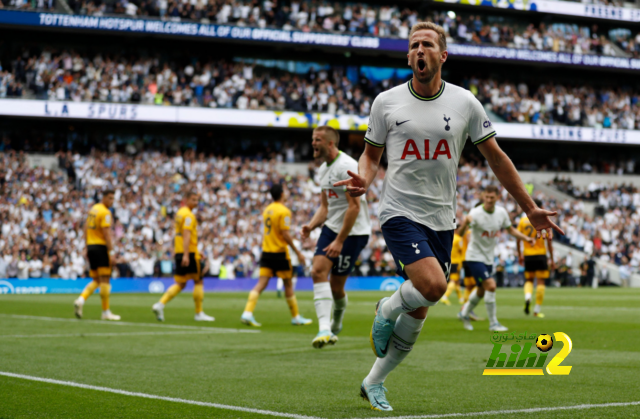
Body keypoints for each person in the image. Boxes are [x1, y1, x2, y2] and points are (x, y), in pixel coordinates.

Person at [334, 21, 562, 411]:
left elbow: (496, 158)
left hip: (442, 218)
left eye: (426, 45)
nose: (418, 50)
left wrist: (529, 207)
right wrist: (365, 180)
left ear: (442, 55)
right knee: (434, 286)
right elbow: (371, 157)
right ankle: (386, 308)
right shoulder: (385, 102)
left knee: (421, 306)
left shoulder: (465, 103)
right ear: (408, 56)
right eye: (413, 46)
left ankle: (374, 381)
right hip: (399, 211)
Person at [302, 126, 371, 349]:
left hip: (353, 232)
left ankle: (336, 321)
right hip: (332, 227)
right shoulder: (323, 169)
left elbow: (354, 207)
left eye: (318, 139)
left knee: (336, 287)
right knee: (317, 271)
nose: (313, 143)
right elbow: (325, 206)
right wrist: (311, 226)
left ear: (331, 143)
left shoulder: (347, 167)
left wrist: (339, 241)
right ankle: (324, 329)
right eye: (313, 139)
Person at [240, 184, 312, 327]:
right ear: (281, 194)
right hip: (279, 253)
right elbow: (285, 234)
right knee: (288, 284)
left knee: (261, 283)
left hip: (267, 251)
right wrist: (298, 253)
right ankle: (296, 317)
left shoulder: (267, 210)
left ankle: (247, 312)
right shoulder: (284, 211)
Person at [152, 191, 215, 322]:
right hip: (188, 253)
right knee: (198, 281)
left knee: (180, 283)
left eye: (197, 200)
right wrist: (188, 254)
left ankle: (160, 304)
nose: (196, 203)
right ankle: (199, 313)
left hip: (180, 252)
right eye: (193, 200)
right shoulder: (188, 215)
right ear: (186, 199)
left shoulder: (180, 213)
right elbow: (186, 235)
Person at [74, 190, 120, 321]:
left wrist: (86, 246)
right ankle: (105, 311)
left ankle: (80, 300)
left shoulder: (93, 209)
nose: (112, 201)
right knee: (105, 280)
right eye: (110, 198)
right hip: (100, 247)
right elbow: (107, 234)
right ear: (104, 198)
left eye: (113, 199)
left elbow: (85, 227)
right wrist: (111, 252)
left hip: (91, 246)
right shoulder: (105, 212)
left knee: (97, 280)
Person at [517, 199, 555, 318]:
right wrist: (552, 259)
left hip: (528, 254)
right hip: (540, 254)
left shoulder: (522, 221)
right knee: (541, 281)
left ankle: (528, 297)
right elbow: (549, 242)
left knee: (529, 280)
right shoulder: (543, 221)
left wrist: (520, 254)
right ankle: (536, 310)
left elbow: (518, 239)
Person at [440, 229, 464, 305]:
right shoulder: (459, 239)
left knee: (457, 282)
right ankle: (445, 297)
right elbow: (462, 250)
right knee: (453, 280)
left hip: (449, 261)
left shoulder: (450, 238)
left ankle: (461, 298)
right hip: (456, 262)